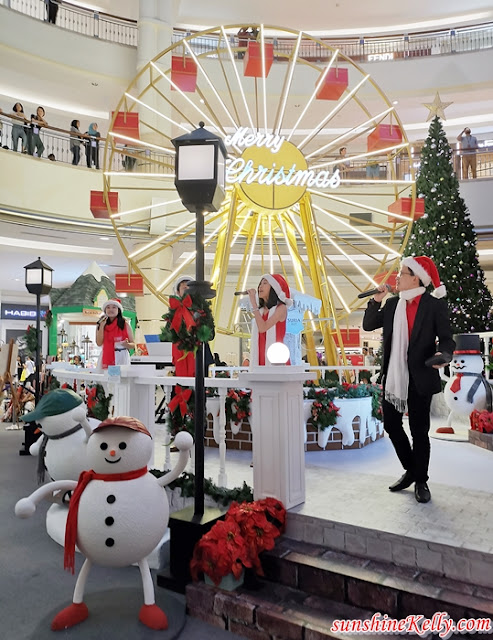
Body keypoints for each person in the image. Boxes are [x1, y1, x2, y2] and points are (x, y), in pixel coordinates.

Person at [362, 256, 455, 504]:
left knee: (419, 431)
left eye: (402, 273)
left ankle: (420, 480)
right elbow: (369, 324)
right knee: (391, 425)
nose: (397, 277)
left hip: (420, 376)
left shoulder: (433, 306)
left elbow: (447, 339)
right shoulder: (393, 305)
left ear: (416, 277)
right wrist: (376, 300)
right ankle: (412, 471)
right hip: (394, 376)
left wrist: (444, 354)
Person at [171, 276, 214, 377]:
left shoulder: (203, 308)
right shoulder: (174, 312)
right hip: (180, 356)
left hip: (200, 356)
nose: (187, 291)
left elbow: (211, 335)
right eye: (184, 288)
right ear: (178, 292)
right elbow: (169, 335)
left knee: (200, 389)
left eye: (190, 289)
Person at [248, 274, 292, 366]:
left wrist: (253, 303)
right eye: (260, 284)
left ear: (273, 288)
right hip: (259, 357)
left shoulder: (281, 308)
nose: (260, 286)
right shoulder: (260, 311)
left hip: (276, 359)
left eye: (265, 283)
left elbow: (263, 328)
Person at [95, 298, 135, 369]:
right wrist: (101, 326)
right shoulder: (101, 324)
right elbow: (99, 343)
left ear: (118, 310)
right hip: (106, 356)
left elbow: (133, 344)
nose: (111, 310)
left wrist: (127, 344)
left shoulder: (125, 324)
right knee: (106, 378)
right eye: (108, 307)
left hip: (122, 356)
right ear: (105, 310)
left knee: (122, 378)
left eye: (114, 307)